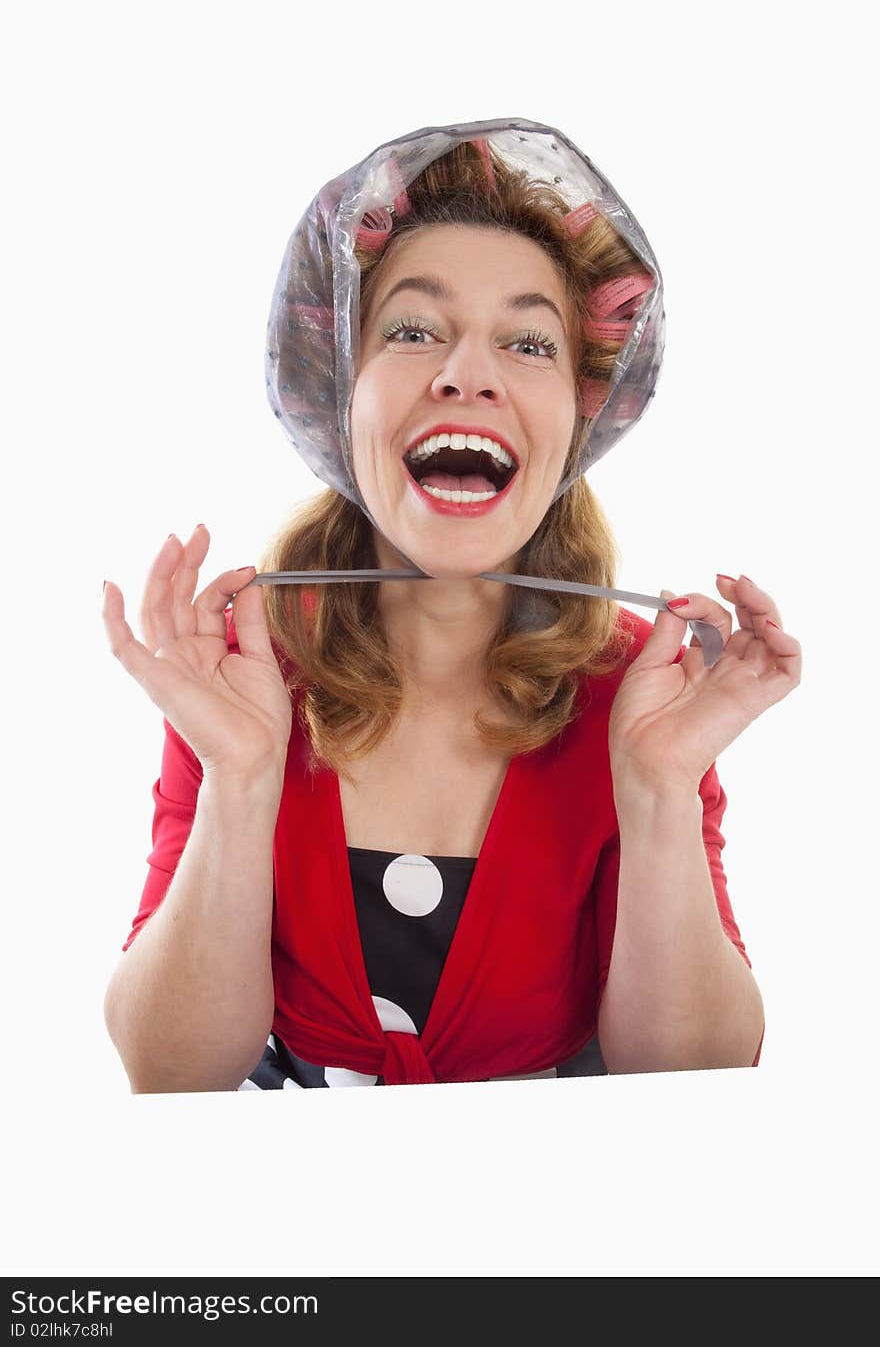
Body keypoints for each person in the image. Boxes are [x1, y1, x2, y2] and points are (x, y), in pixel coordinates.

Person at [100, 122, 798, 1093]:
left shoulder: (642, 688)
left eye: (526, 341)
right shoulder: (244, 667)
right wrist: (240, 774)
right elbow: (169, 1074)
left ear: (576, 421)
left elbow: (695, 1076)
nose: (467, 373)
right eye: (414, 329)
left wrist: (658, 786)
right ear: (340, 399)